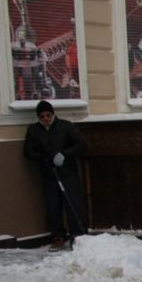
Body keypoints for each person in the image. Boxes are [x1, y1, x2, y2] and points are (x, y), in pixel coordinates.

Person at [23, 100, 87, 250]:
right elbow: (28, 152)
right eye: (42, 116)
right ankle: (58, 236)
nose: (45, 118)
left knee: (73, 204)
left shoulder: (65, 126)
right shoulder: (34, 130)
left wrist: (64, 154)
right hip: (49, 174)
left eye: (48, 115)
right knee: (53, 207)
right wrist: (44, 158)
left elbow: (81, 144)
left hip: (68, 172)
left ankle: (77, 235)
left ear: (53, 114)